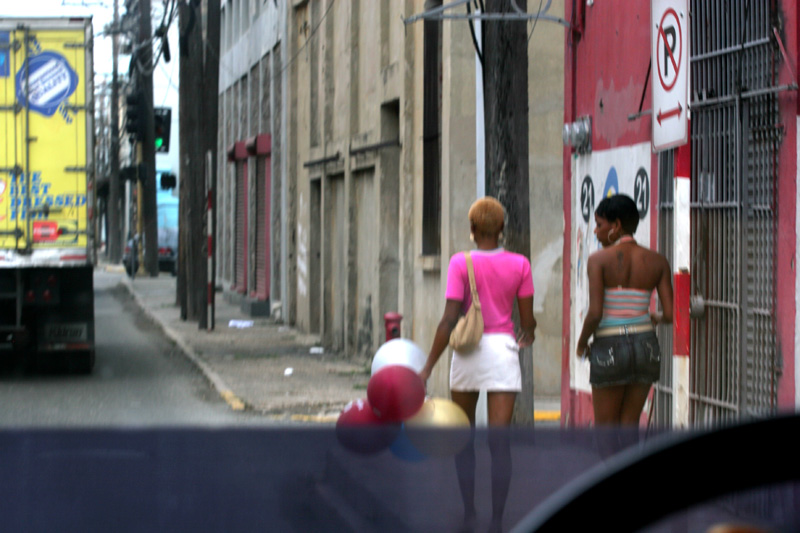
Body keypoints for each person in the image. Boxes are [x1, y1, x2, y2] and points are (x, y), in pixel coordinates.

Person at [419, 196, 537, 533]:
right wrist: (529, 333)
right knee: (499, 443)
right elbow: (527, 320)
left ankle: (469, 512)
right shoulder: (520, 264)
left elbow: (448, 320)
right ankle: (497, 521)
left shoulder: (460, 263)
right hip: (502, 352)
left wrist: (427, 367)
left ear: (472, 227)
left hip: (468, 351)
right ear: (502, 227)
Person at [576, 194, 673, 429]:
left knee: (606, 429)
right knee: (629, 426)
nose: (596, 231)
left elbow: (595, 313)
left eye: (599, 225)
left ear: (616, 226)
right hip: (646, 347)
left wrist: (581, 344)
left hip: (609, 346)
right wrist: (654, 317)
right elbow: (670, 315)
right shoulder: (658, 261)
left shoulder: (598, 260)